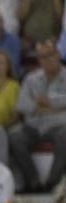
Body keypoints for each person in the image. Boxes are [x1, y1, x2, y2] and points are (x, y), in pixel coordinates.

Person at [9, 41, 66, 193]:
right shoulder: (31, 79)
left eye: (50, 55)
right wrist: (45, 107)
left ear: (58, 55)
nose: (46, 60)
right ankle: (32, 181)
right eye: (42, 57)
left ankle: (52, 182)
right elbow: (21, 105)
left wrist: (48, 102)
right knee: (15, 135)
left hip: (59, 126)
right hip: (33, 126)